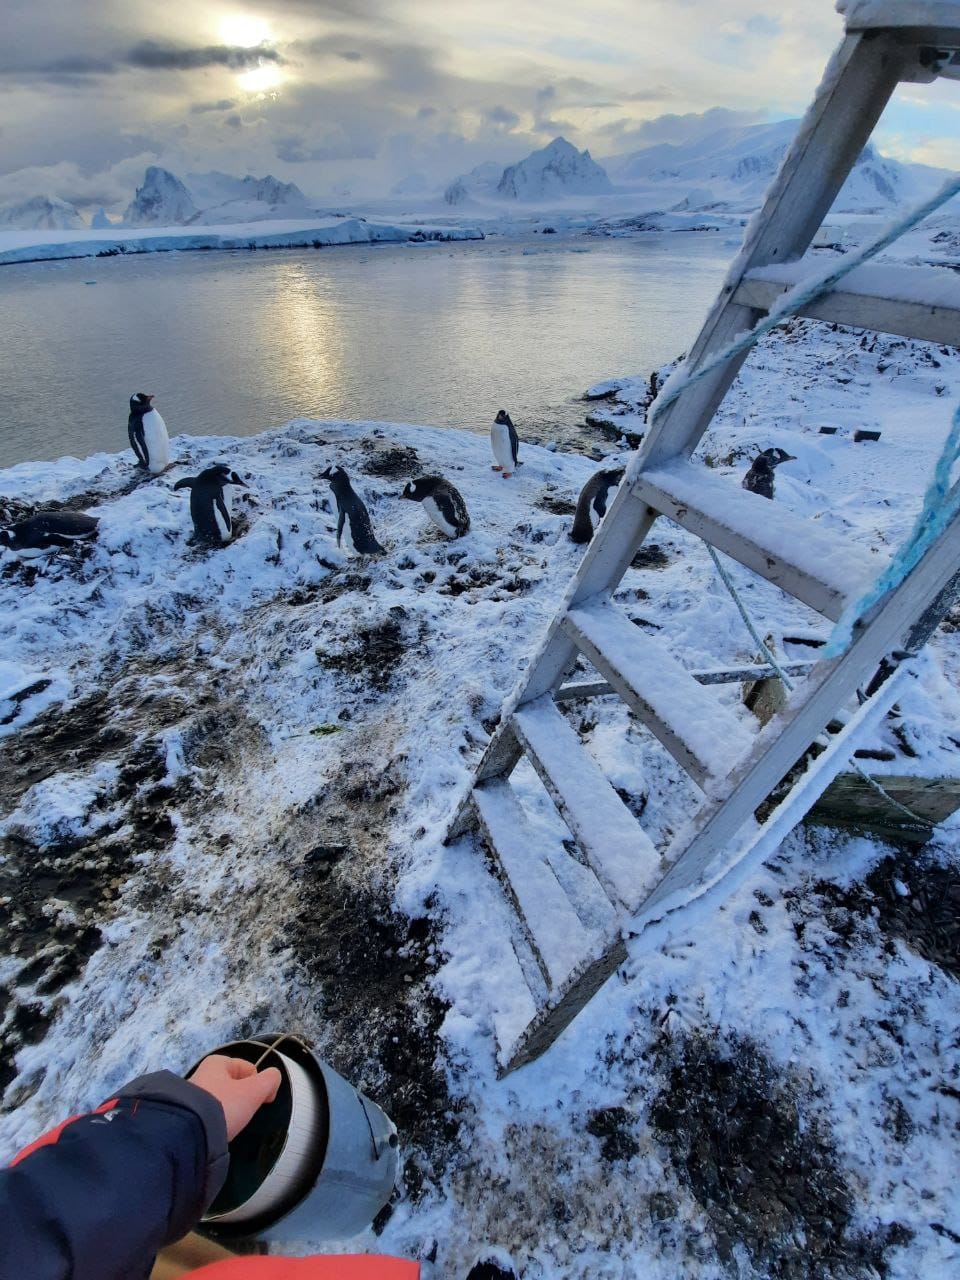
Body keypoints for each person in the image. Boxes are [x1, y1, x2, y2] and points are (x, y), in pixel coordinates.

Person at [0, 1054, 420, 1279]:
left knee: (189, 1242)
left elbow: (36, 1221)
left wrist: (185, 1123)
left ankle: (232, 1239)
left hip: (97, 1237)